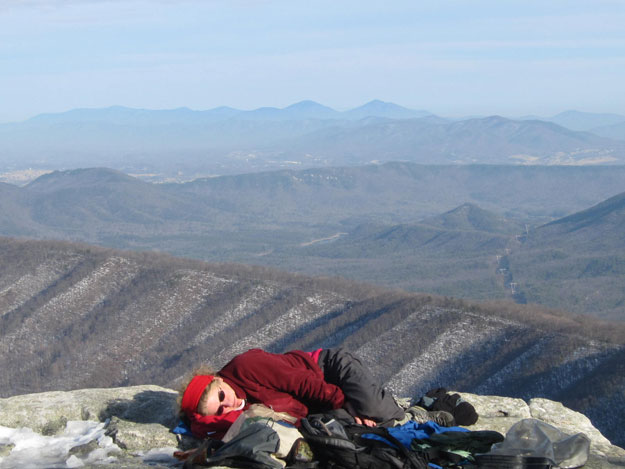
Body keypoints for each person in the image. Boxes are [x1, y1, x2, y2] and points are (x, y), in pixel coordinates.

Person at [179, 348, 410, 439]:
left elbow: (303, 383)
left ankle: (411, 413)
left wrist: (344, 402)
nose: (227, 405)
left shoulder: (246, 366)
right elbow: (198, 425)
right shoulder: (236, 412)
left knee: (376, 412)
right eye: (219, 410)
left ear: (218, 379)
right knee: (360, 431)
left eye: (221, 396)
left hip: (326, 372)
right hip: (315, 406)